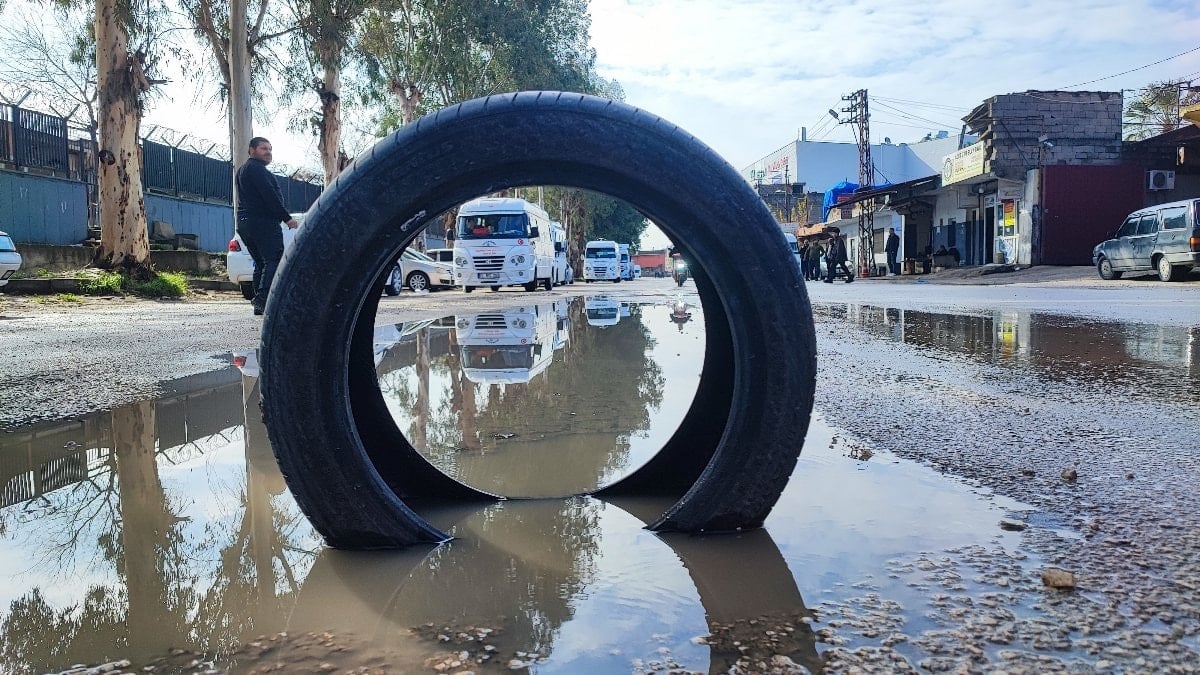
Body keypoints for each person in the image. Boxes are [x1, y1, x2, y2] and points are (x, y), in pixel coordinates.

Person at [236, 137, 297, 315]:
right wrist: (286, 218)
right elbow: (269, 195)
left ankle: (259, 304)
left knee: (261, 263)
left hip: (245, 222)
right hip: (262, 221)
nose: (268, 152)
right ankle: (263, 299)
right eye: (264, 148)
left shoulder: (244, 170)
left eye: (270, 149)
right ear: (251, 150)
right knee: (273, 260)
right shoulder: (257, 169)